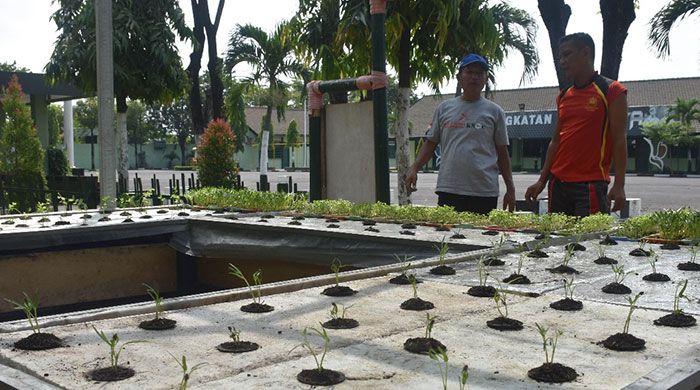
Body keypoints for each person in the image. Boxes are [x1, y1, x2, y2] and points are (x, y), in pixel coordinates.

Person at [525, 32, 628, 216]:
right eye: (560, 57)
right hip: (557, 184)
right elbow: (555, 141)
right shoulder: (564, 96)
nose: (562, 61)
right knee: (554, 242)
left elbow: (619, 139)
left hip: (590, 185)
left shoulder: (611, 90)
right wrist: (542, 181)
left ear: (585, 52)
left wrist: (619, 185)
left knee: (590, 242)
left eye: (567, 54)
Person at [404, 53, 515, 214]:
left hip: (483, 191)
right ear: (459, 77)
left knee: (479, 237)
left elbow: (503, 152)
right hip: (449, 188)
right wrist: (414, 168)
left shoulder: (495, 112)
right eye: (469, 72)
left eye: (479, 74)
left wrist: (510, 188)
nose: (474, 77)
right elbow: (430, 143)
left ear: (485, 79)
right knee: (447, 237)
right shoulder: (444, 109)